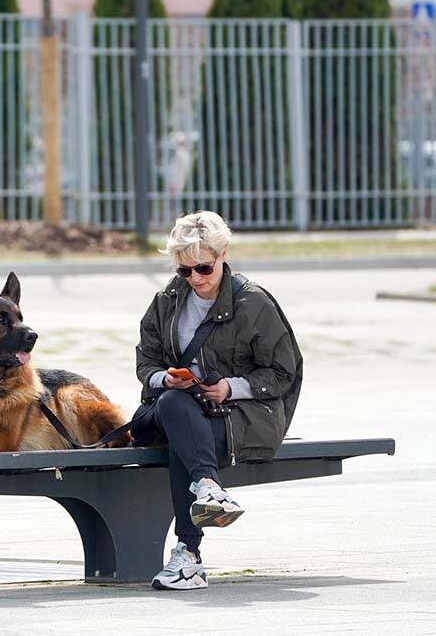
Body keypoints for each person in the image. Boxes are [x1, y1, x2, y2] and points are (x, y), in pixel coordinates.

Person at [134, 210, 302, 590]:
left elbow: (283, 373)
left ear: (222, 255)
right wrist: (167, 378)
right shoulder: (166, 301)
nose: (195, 279)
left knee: (184, 438)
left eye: (204, 268)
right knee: (175, 407)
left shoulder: (254, 303)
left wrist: (230, 386)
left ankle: (188, 555)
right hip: (183, 408)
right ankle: (207, 486)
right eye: (184, 271)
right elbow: (146, 361)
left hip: (242, 414)